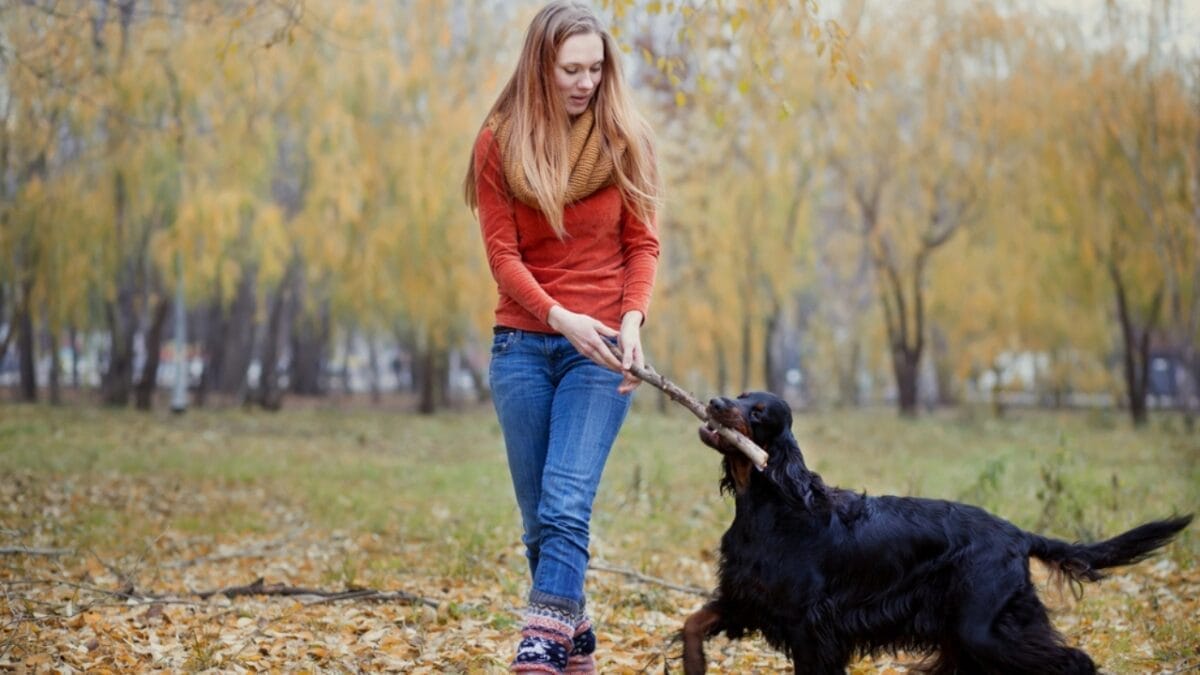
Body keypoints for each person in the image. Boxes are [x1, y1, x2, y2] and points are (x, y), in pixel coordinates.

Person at [463, 1, 661, 672]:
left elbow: (642, 245)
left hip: (601, 348)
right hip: (522, 345)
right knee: (538, 522)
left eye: (596, 69)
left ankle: (539, 651)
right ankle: (575, 645)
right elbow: (503, 257)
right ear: (540, 67)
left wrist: (630, 321)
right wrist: (558, 317)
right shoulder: (499, 142)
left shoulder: (627, 140)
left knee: (566, 505)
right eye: (571, 69)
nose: (585, 82)